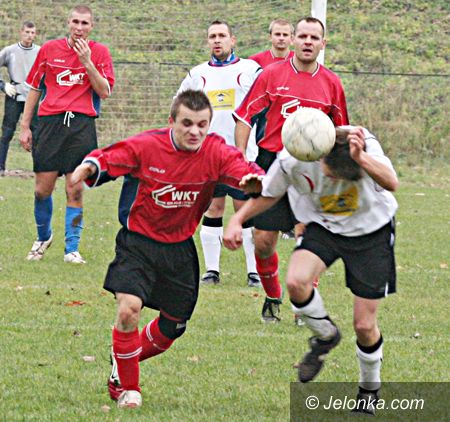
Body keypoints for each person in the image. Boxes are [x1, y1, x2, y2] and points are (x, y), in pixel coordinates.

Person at [70, 90, 263, 408]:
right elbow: (111, 157)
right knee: (128, 309)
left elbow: (245, 171)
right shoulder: (148, 145)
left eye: (202, 125)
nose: (194, 131)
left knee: (173, 328)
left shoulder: (215, 151)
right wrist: (88, 168)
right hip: (138, 244)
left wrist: (254, 181)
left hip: (179, 250)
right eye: (187, 123)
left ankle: (123, 359)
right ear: (171, 121)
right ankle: (129, 389)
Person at [224, 126, 399, 415]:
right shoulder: (295, 156)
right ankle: (326, 335)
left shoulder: (363, 143)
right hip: (324, 227)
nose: (335, 181)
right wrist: (237, 220)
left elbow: (392, 182)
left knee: (364, 326)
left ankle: (369, 390)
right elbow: (269, 193)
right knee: (296, 282)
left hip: (372, 231)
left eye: (343, 178)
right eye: (332, 174)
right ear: (320, 157)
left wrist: (362, 159)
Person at [233, 16, 349, 322]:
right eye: (303, 36)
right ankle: (273, 296)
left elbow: (341, 131)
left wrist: (339, 169)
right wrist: (242, 158)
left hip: (312, 169)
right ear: (294, 40)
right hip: (272, 164)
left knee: (307, 237)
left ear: (323, 44)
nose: (308, 42)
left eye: (314, 38)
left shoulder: (332, 83)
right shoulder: (271, 74)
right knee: (262, 241)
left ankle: (303, 304)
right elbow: (244, 116)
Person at [19, 5, 115, 264]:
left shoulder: (100, 52)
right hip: (49, 125)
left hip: (81, 127)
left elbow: (104, 91)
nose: (79, 27)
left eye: (85, 23)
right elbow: (35, 88)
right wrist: (25, 126)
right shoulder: (49, 49)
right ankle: (43, 237)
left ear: (91, 26)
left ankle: (71, 249)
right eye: (75, 22)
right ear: (68, 23)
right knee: (42, 189)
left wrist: (87, 62)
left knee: (75, 189)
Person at [176, 20, 262, 287]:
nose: (217, 40)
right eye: (212, 36)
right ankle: (211, 271)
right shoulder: (197, 74)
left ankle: (254, 272)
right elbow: (179, 108)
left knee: (244, 208)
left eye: (222, 35)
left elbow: (265, 104)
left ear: (232, 40)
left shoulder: (251, 70)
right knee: (213, 207)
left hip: (242, 155)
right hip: (208, 156)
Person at [248, 18, 295, 241]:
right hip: (264, 130)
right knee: (265, 176)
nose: (281, 38)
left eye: (285, 35)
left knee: (292, 176)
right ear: (270, 36)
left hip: (292, 130)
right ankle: (260, 221)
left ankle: (290, 223)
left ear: (292, 38)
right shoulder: (255, 63)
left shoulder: (299, 62)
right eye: (277, 34)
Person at [0, 21, 40, 176]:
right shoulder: (10, 51)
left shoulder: (40, 51)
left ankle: (39, 169)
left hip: (33, 96)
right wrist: (3, 85)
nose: (29, 35)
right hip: (14, 96)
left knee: (37, 133)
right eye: (27, 32)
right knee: (7, 132)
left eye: (32, 32)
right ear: (21, 32)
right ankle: (0, 167)